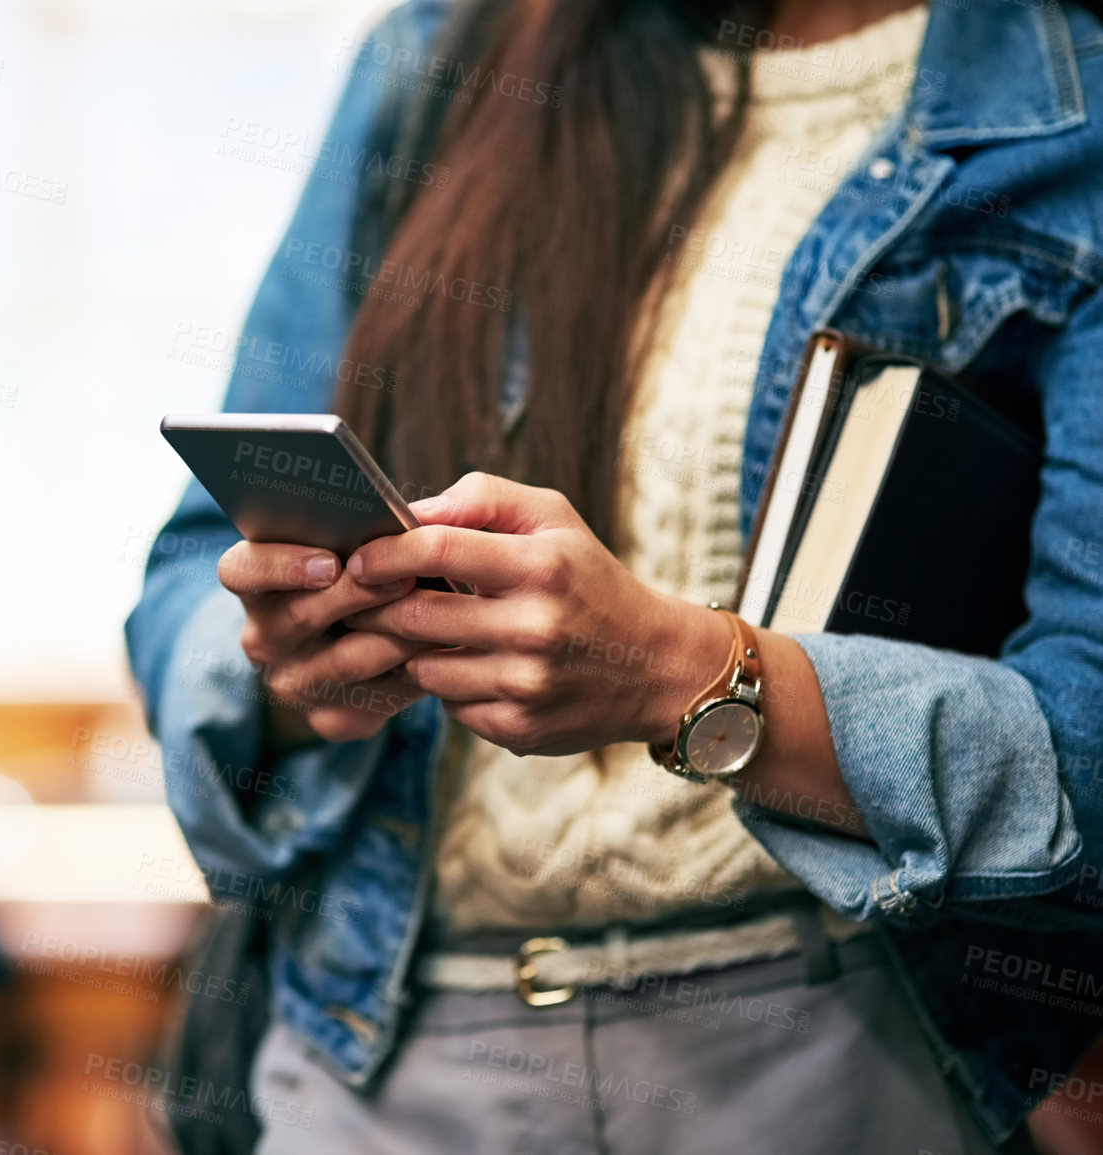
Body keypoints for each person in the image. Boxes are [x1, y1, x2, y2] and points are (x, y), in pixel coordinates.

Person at [127, 0, 1103, 1150]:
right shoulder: (435, 57)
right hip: (383, 1060)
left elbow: (1081, 758)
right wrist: (291, 675)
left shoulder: (1069, 114)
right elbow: (194, 573)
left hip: (823, 1058)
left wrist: (686, 675)